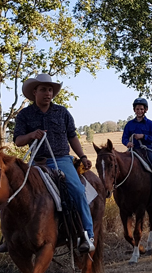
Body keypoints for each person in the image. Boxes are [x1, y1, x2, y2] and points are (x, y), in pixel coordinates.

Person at [12, 73, 95, 253]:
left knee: (78, 191)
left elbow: (72, 136)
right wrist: (31, 135)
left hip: (61, 159)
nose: (48, 93)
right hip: (36, 162)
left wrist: (82, 157)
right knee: (15, 191)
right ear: (35, 92)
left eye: (50, 90)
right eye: (43, 90)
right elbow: (18, 140)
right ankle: (10, 236)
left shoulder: (62, 112)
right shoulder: (25, 115)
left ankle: (87, 235)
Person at [122, 97, 152, 200]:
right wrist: (128, 143)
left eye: (141, 109)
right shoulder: (129, 124)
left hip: (146, 151)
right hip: (133, 151)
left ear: (145, 110)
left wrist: (143, 137)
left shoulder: (150, 124)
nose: (139, 111)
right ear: (134, 110)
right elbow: (124, 138)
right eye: (137, 109)